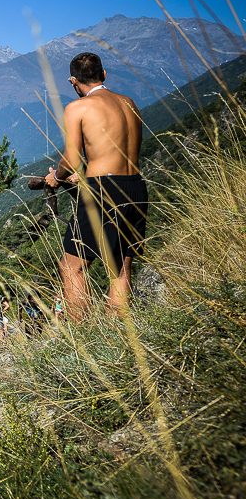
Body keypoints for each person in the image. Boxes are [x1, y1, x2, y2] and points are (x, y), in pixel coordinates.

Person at [46, 52, 147, 319]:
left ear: (73, 81)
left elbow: (71, 159)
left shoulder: (77, 108)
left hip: (103, 191)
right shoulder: (129, 103)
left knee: (72, 267)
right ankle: (120, 334)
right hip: (136, 187)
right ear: (103, 75)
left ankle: (83, 335)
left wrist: (56, 177)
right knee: (120, 269)